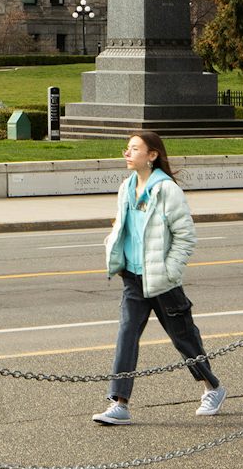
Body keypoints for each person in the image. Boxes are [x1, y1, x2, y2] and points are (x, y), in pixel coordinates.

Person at [94, 131, 226, 425]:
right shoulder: (126, 187)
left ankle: (213, 387)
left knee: (184, 339)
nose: (127, 153)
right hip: (133, 278)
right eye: (126, 148)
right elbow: (124, 226)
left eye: (134, 149)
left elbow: (185, 237)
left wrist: (170, 271)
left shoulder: (167, 190)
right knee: (126, 335)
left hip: (162, 281)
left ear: (152, 155)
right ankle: (119, 403)